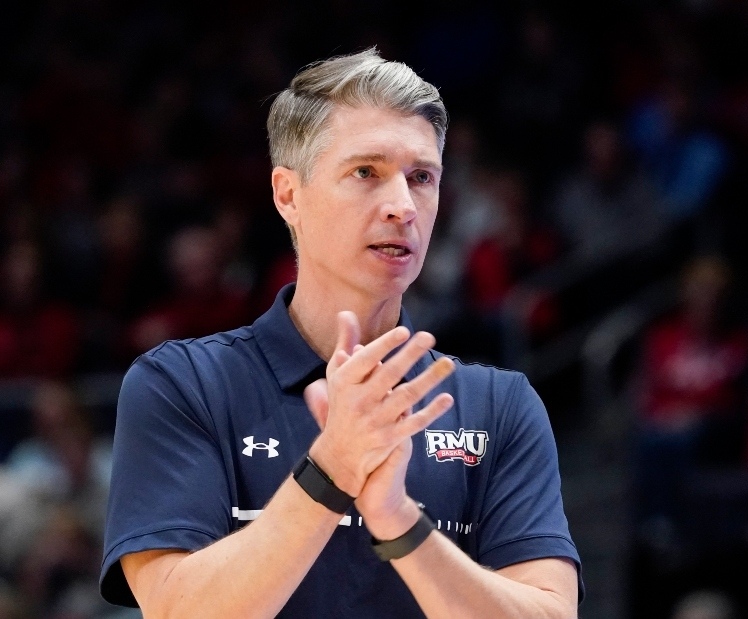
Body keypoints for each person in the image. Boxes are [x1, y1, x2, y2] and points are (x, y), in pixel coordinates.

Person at [100, 48, 582, 617]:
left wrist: (401, 524)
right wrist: (332, 469)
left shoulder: (501, 407)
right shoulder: (182, 385)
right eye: (366, 173)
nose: (403, 205)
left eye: (421, 177)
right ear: (288, 195)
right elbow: (178, 611)